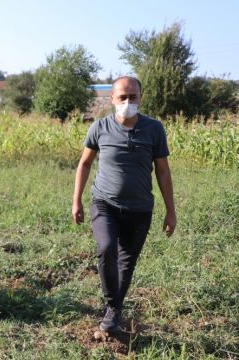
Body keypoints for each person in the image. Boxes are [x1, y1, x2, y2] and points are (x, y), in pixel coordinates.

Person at [72, 76, 177, 332]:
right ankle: (111, 305)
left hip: (140, 209)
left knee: (126, 264)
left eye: (133, 97)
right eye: (122, 97)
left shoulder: (154, 129)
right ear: (112, 99)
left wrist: (171, 211)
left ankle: (113, 313)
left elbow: (163, 171)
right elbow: (84, 164)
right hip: (105, 203)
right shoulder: (99, 127)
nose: (128, 102)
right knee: (107, 248)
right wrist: (76, 201)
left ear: (141, 98)